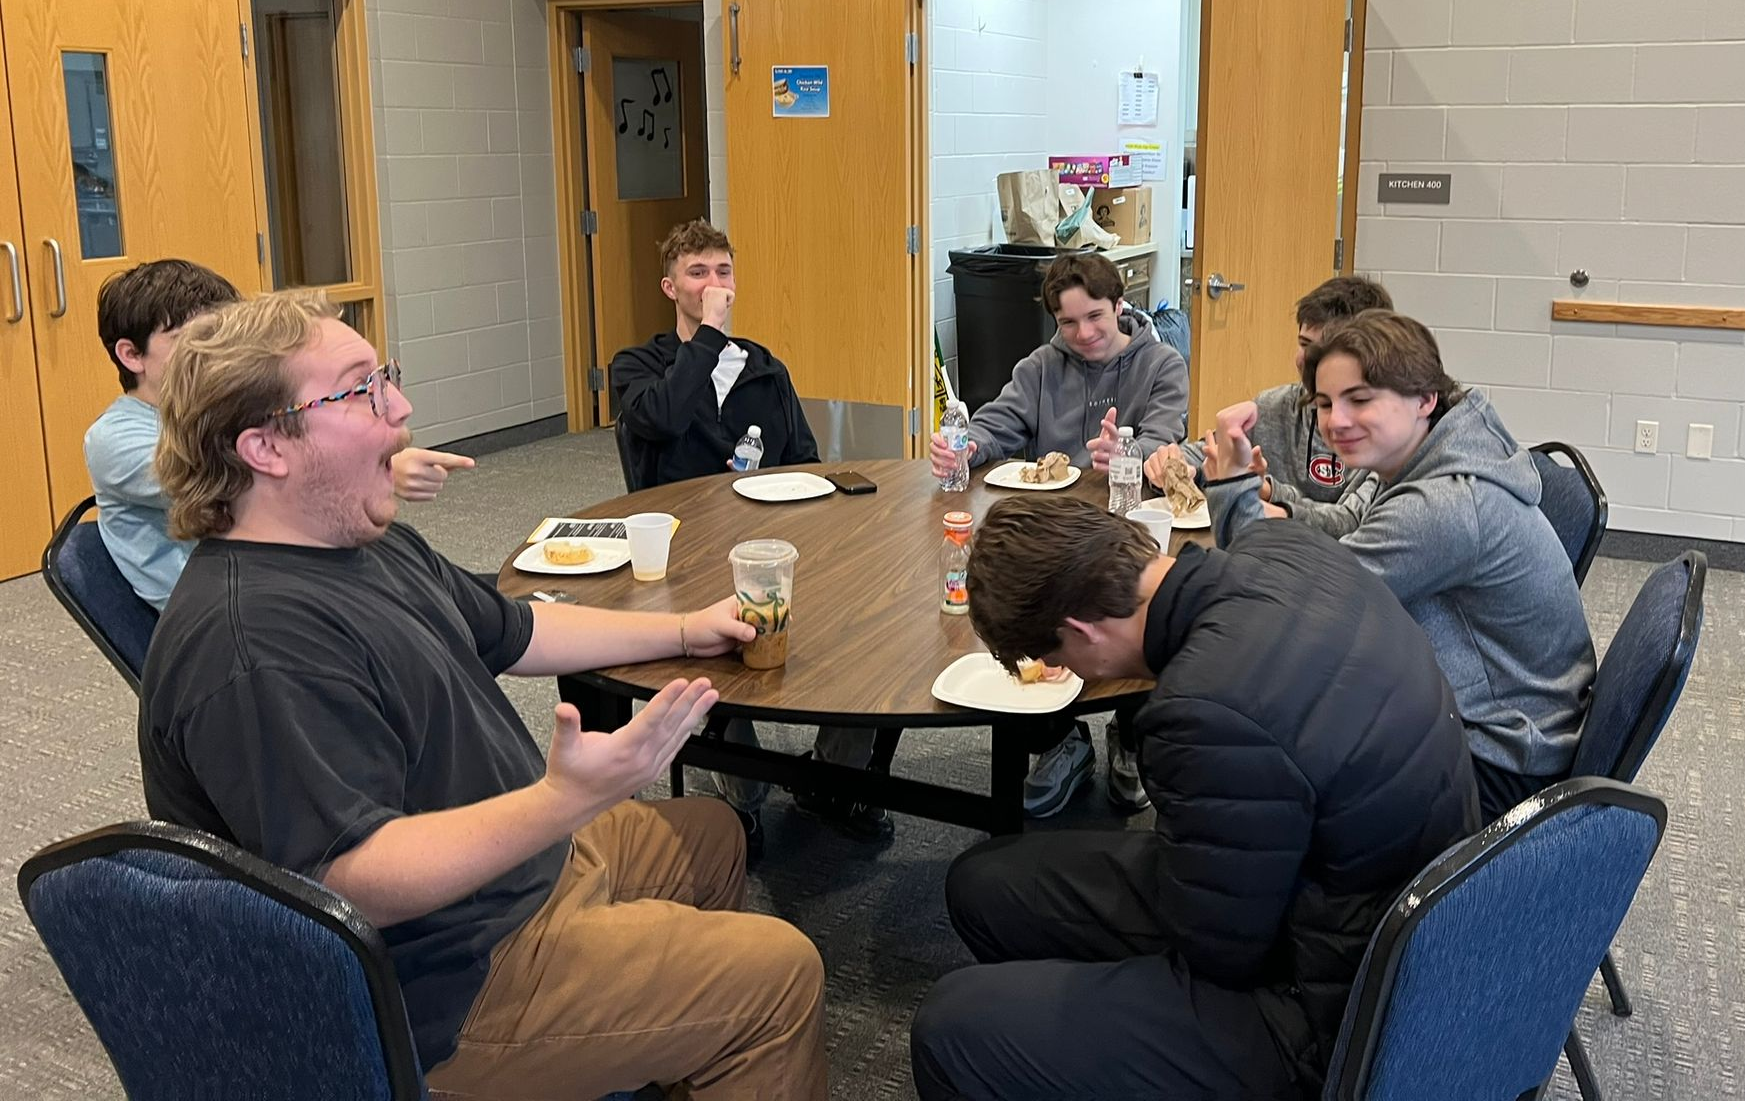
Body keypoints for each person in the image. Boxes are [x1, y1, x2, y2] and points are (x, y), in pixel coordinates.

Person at [140, 289, 828, 1099]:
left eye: (384, 377)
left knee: (714, 834)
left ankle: (659, 1054)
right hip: (449, 981)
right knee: (779, 975)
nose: (399, 410)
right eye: (361, 389)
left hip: (521, 867)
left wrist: (685, 630)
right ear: (266, 447)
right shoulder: (254, 644)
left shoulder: (360, 539)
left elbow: (518, 630)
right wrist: (562, 801)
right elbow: (351, 875)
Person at [908, 495, 1478, 1100]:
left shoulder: (1203, 711)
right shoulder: (1284, 547)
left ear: (1081, 630)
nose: (1068, 671)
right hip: (1378, 908)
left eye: (1056, 658)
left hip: (1334, 1009)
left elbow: (1222, 953)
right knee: (983, 881)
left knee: (952, 1027)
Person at [1202, 309, 1595, 821]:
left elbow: (1295, 605)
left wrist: (1231, 489)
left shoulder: (1442, 507)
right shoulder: (1428, 458)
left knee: (1268, 746)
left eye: (1360, 399)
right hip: (1508, 717)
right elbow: (1347, 534)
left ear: (1424, 399)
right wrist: (1269, 507)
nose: (1335, 421)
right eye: (1324, 403)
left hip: (1501, 759)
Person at [610, 220, 890, 852]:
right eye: (698, 273)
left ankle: (834, 776)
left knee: (867, 622)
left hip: (774, 544)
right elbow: (663, 419)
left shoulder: (764, 369)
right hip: (687, 557)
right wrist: (707, 336)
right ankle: (744, 792)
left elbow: (809, 464)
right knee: (711, 653)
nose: (715, 285)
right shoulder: (639, 368)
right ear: (669, 286)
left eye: (724, 272)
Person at [928, 251, 1190, 818]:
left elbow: (1167, 440)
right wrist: (967, 446)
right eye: (1068, 323)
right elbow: (1002, 423)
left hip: (1127, 532)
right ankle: (1059, 739)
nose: (1084, 333)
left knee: (1143, 624)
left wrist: (1127, 452)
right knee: (1019, 621)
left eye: (1095, 316)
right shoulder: (1042, 365)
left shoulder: (1161, 363)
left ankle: (1131, 731)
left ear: (1121, 307)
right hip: (1050, 534)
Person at [84, 259, 473, 610]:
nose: (213, 355)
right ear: (132, 355)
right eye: (191, 339)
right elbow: (218, 475)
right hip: (223, 610)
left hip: (272, 575)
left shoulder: (213, 414)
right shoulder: (111, 440)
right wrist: (376, 460)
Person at [1149, 274, 1393, 533]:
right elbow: (1207, 454)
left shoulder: (1384, 433)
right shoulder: (1276, 405)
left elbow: (1351, 521)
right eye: (1304, 344)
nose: (1305, 360)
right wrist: (1174, 462)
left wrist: (1262, 492)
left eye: (1322, 350)